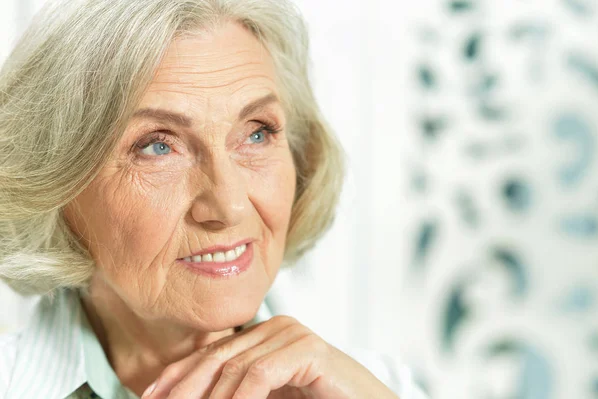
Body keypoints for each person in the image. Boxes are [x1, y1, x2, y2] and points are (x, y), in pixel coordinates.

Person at [0, 0, 427, 398]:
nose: (229, 206)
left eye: (257, 133)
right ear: (55, 184)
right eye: (156, 146)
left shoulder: (380, 386)